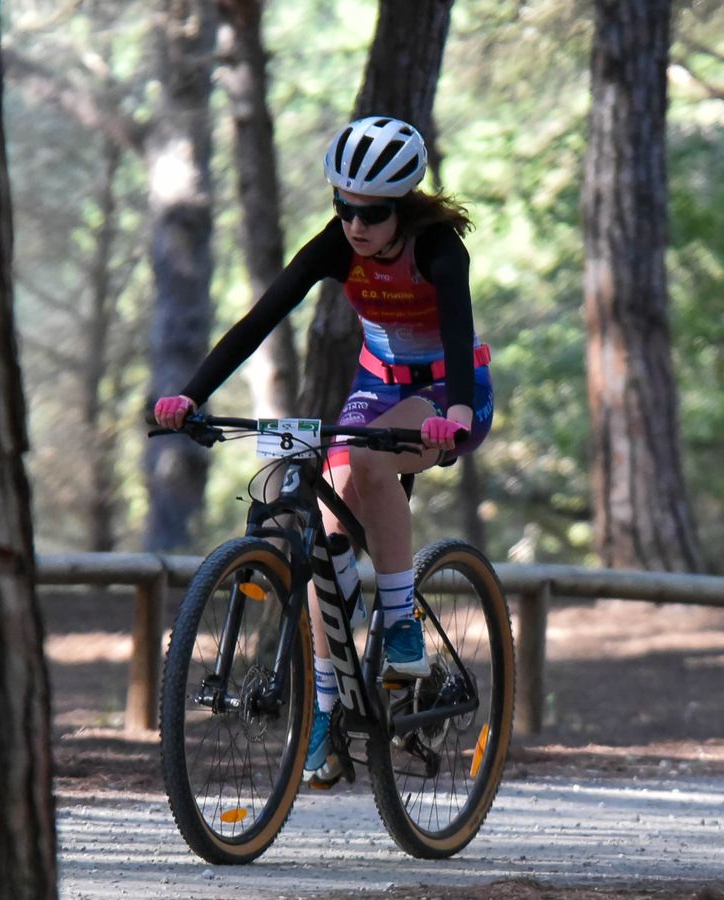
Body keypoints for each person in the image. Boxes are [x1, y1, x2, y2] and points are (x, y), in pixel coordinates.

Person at [152, 115, 494, 784]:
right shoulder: (337, 246)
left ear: (403, 209)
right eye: (343, 207)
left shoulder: (441, 250)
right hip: (377, 383)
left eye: (371, 212)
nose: (355, 225)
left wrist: (452, 414)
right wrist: (190, 395)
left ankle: (400, 624)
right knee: (327, 533)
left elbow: (457, 334)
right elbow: (258, 321)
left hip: (448, 390)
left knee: (366, 463)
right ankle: (325, 712)